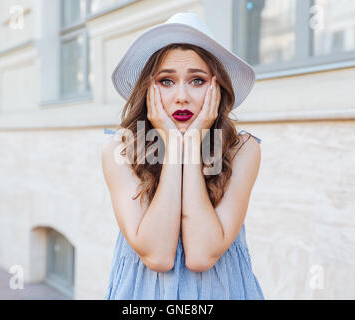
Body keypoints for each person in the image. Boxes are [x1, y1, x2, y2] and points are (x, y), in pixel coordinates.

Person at [101, 12, 264, 299]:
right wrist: (175, 146)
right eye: (166, 81)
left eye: (197, 81)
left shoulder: (242, 149)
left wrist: (192, 143)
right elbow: (158, 256)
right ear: (148, 89)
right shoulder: (120, 149)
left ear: (217, 88)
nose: (181, 96)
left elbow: (201, 255)